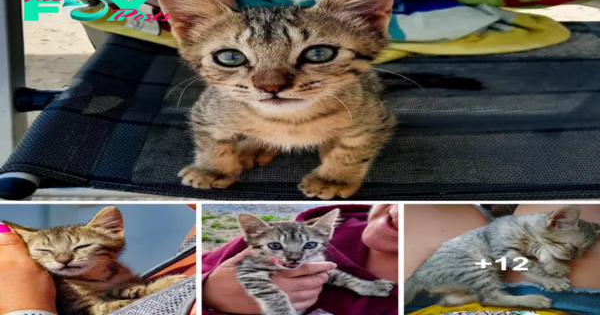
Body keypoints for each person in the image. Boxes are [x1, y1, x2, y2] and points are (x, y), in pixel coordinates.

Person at [202, 204, 399, 315]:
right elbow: (186, 276)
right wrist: (208, 291)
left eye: (309, 246)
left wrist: (364, 286)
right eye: (276, 246)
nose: (294, 256)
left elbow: (333, 275)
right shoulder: (249, 251)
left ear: (325, 233)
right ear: (251, 234)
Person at [0, 204, 197, 315]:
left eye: (82, 246)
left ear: (113, 233)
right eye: (44, 250)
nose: (63, 258)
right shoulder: (53, 286)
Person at [405, 204, 600, 315]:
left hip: (434, 307)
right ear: (555, 221)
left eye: (582, 252)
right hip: (470, 264)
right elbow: (505, 255)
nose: (576, 257)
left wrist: (550, 256)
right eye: (572, 249)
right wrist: (543, 275)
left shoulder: (530, 232)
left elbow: (532, 247)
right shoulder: (508, 228)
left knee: (430, 209)